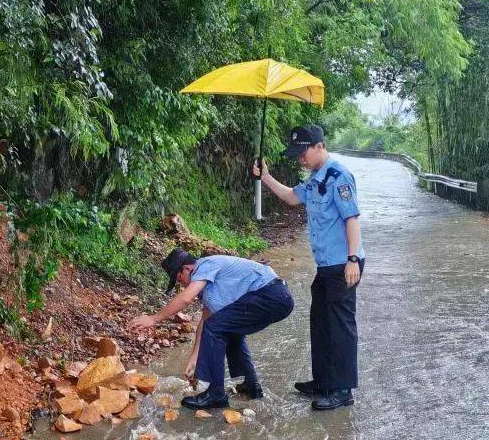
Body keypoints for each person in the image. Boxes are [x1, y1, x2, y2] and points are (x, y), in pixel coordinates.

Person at [254, 123, 364, 410]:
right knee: (320, 324)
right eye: (297, 155)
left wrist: (353, 260)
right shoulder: (316, 179)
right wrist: (265, 177)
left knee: (340, 327)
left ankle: (342, 390)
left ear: (319, 146)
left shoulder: (339, 176)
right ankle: (323, 381)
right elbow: (291, 196)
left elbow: (352, 219)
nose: (300, 159)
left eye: (303, 153)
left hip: (343, 264)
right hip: (326, 265)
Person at [128, 248, 294, 410]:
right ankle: (251, 386)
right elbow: (204, 323)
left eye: (179, 278)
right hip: (277, 299)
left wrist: (153, 318)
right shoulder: (209, 286)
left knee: (217, 327)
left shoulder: (205, 265)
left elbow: (186, 299)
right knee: (228, 330)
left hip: (272, 295)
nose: (181, 284)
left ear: (187, 268)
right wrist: (194, 360)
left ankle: (216, 395)